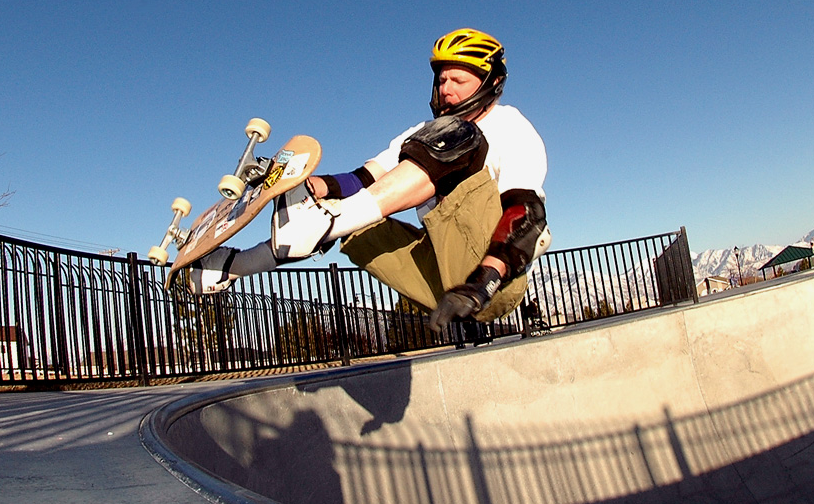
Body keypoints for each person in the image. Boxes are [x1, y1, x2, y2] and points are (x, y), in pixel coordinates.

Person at [183, 28, 551, 333]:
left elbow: (527, 216)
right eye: (442, 79)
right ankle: (230, 267)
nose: (446, 89)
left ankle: (324, 221)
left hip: (491, 279)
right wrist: (305, 186)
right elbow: (364, 179)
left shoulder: (509, 126)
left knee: (457, 134)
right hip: (439, 279)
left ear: (492, 82)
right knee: (347, 216)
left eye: (458, 80)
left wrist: (483, 283)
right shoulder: (422, 133)